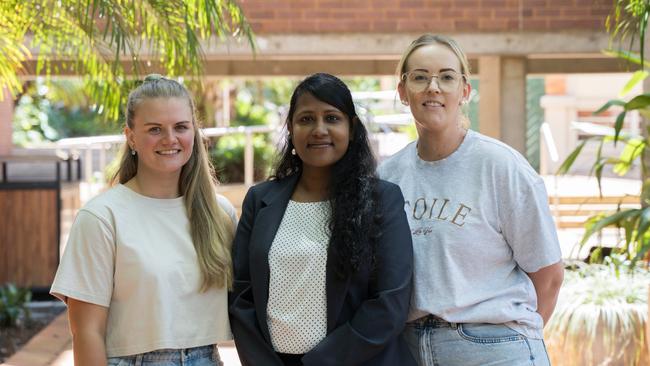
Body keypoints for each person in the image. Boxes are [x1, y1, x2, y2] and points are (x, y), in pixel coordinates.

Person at [378, 34, 564, 366]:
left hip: (493, 346)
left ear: (464, 91)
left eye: (446, 77)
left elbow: (548, 276)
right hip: (409, 350)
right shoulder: (386, 177)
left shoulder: (501, 167)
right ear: (402, 91)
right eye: (420, 77)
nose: (433, 87)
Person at [229, 73, 416, 366]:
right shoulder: (259, 200)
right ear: (290, 128)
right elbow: (242, 297)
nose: (319, 130)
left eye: (332, 118)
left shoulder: (382, 200)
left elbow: (389, 303)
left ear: (351, 128)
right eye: (306, 119)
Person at [50, 75, 237, 366]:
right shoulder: (102, 217)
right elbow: (87, 332)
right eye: (154, 129)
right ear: (131, 137)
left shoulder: (220, 214)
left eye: (181, 127)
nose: (170, 139)